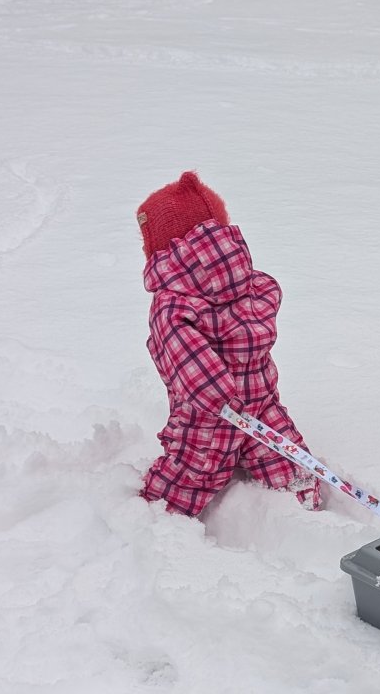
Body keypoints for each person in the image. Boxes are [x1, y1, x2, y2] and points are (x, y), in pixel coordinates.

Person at [136, 171, 321, 517]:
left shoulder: (172, 305)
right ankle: (304, 508)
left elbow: (184, 356)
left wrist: (221, 400)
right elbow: (269, 295)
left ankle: (153, 522)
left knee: (185, 477)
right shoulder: (251, 283)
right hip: (262, 405)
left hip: (207, 418)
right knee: (288, 463)